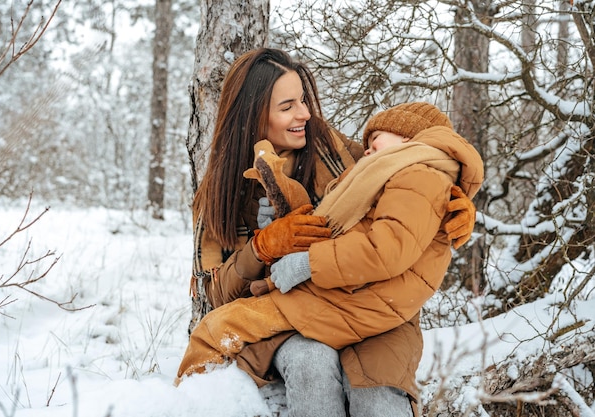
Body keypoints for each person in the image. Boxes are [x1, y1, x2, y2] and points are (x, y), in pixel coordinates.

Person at [183, 48, 477, 417]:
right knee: (311, 364)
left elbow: (405, 175)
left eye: (303, 100)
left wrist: (451, 206)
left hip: (373, 306)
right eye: (287, 106)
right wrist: (261, 248)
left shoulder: (329, 147)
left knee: (378, 394)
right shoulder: (221, 189)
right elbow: (214, 292)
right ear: (253, 114)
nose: (304, 113)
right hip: (290, 314)